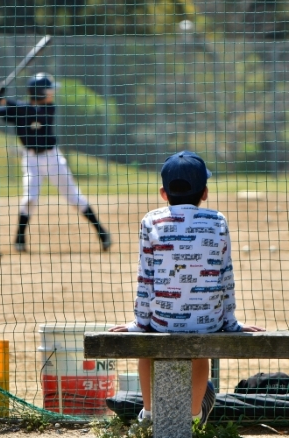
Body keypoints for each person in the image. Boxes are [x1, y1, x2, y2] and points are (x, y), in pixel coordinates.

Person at [109, 150, 265, 426]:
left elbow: (146, 278)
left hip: (162, 320)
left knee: (148, 347)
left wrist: (138, 324)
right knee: (199, 349)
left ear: (163, 193)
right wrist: (231, 323)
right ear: (204, 192)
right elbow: (225, 275)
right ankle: (194, 416)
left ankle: (149, 413)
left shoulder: (151, 221)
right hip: (208, 321)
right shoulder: (217, 221)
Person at [0, 72, 111, 252]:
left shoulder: (48, 108)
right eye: (48, 90)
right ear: (39, 93)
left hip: (53, 159)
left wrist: (5, 100)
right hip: (30, 160)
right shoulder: (19, 109)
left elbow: (30, 111)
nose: (52, 93)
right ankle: (19, 239)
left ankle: (102, 234)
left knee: (74, 197)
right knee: (30, 198)